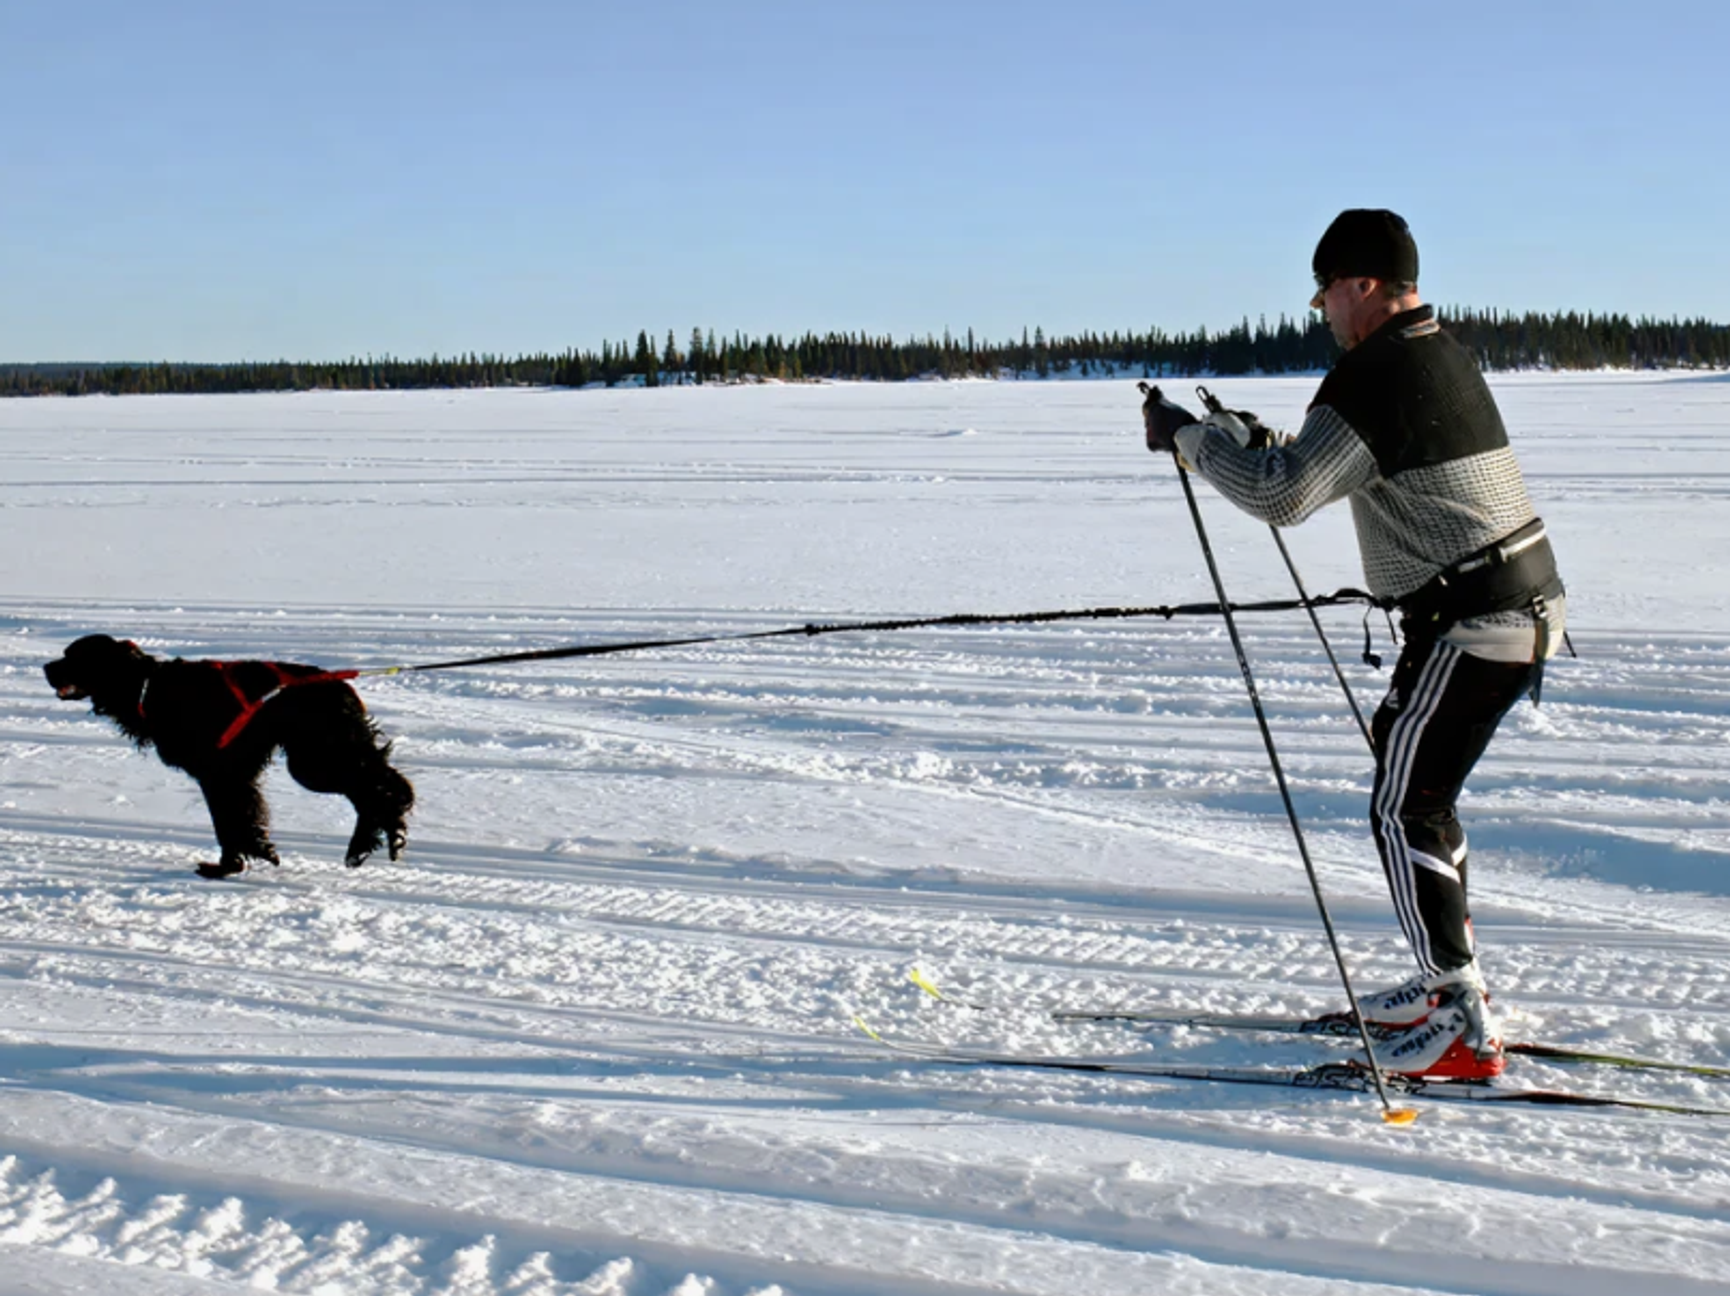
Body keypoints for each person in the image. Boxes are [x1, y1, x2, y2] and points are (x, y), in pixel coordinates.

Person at [1142, 209, 1565, 1081]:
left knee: (1404, 804)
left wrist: (1190, 441)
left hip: (1473, 620)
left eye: (1324, 292)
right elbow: (1334, 464)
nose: (1322, 311)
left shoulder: (1373, 371)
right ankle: (1445, 982)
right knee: (1417, 790)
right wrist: (1251, 442)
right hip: (1508, 609)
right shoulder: (1432, 350)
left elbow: (1283, 500)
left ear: (1361, 285)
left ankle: (1455, 1017)